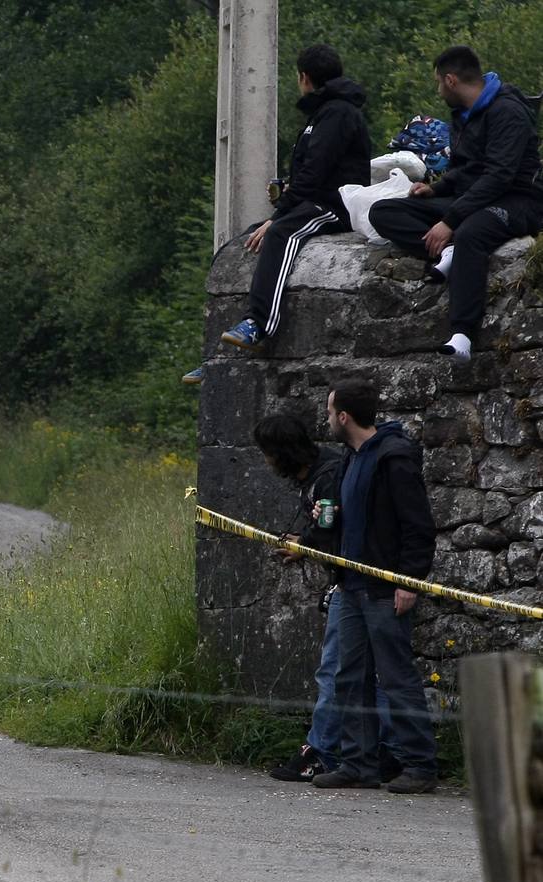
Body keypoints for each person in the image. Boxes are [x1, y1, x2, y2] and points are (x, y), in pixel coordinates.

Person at [184, 45, 370, 384]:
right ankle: (216, 355)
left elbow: (316, 172)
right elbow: (311, 172)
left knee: (281, 233)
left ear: (304, 77)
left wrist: (280, 212)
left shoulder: (338, 113)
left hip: (335, 205)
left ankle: (259, 325)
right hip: (312, 201)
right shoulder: (323, 114)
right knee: (242, 243)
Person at [369, 45, 543, 362]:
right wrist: (434, 190)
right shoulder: (464, 115)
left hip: (519, 200)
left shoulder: (507, 112)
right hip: (472, 198)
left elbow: (498, 176)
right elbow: (465, 169)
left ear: (451, 80)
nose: (438, 91)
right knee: (383, 211)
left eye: (438, 83)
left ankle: (462, 334)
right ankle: (447, 252)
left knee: (471, 233)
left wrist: (450, 220)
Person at [254, 414, 399, 783]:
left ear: (282, 453)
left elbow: (334, 530)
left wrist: (306, 546)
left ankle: (320, 751)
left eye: (268, 453)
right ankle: (388, 748)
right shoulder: (327, 472)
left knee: (336, 670)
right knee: (366, 674)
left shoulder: (328, 475)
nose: (266, 462)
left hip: (356, 584)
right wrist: (305, 545)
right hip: (355, 582)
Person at [311, 379, 438, 794]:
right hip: (351, 586)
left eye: (330, 412)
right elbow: (356, 518)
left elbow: (417, 526)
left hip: (384, 588)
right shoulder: (352, 458)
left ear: (343, 416)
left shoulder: (394, 457)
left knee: (397, 677)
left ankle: (419, 765)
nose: (328, 419)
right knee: (350, 677)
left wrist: (409, 581)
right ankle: (358, 763)